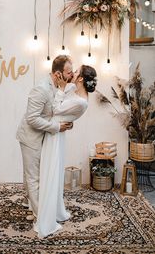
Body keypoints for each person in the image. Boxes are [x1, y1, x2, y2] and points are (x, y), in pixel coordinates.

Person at [35, 64, 97, 238]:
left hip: (56, 137)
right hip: (56, 131)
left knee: (51, 173)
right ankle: (54, 211)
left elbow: (56, 109)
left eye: (76, 71)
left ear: (81, 79)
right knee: (50, 172)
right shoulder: (72, 89)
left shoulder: (81, 102)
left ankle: (48, 220)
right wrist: (63, 88)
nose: (73, 73)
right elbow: (61, 109)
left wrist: (61, 89)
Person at [16, 55, 74, 220]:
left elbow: (55, 110)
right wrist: (57, 127)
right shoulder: (41, 89)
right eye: (69, 72)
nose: (71, 75)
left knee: (32, 172)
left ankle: (28, 203)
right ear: (57, 74)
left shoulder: (59, 86)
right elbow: (32, 119)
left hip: (43, 136)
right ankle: (40, 216)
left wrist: (67, 122)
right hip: (30, 137)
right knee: (34, 176)